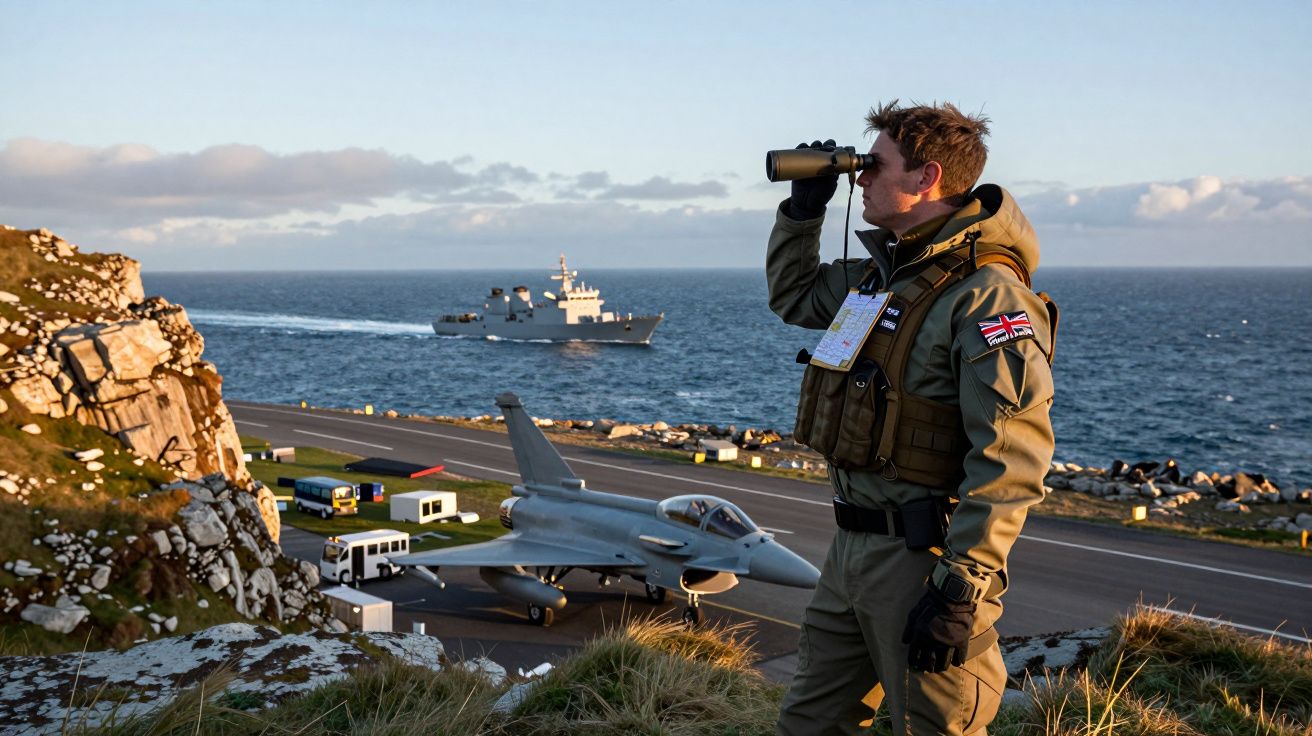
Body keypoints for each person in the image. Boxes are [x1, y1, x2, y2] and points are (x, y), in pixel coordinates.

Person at [768, 100, 1057, 735]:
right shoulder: (885, 275)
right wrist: (803, 210)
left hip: (924, 558)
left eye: (875, 165)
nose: (861, 178)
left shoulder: (986, 295)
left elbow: (1013, 454)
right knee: (809, 725)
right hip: (851, 549)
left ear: (926, 178)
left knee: (933, 728)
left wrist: (961, 587)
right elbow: (792, 295)